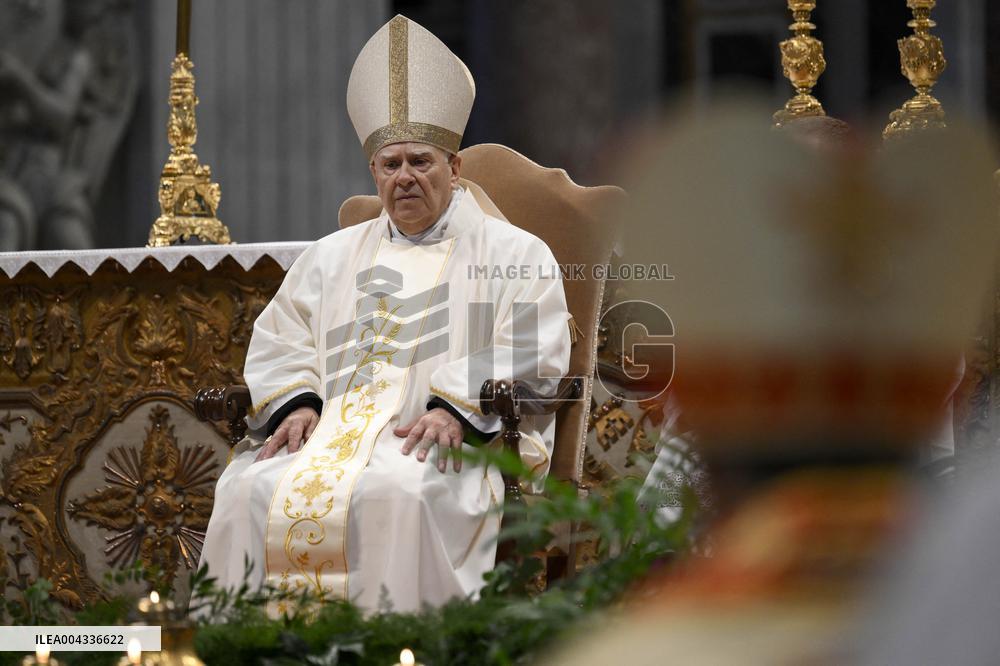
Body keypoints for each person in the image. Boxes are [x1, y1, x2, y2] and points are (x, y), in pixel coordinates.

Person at [198, 15, 571, 615]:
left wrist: (456, 406)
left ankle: (403, 649)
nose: (404, 177)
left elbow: (533, 344)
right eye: (390, 164)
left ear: (454, 168)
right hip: (330, 438)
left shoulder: (516, 253)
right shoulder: (330, 256)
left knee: (401, 491)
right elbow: (282, 336)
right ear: (372, 171)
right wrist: (297, 402)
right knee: (245, 490)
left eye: (420, 161)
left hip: (443, 440)